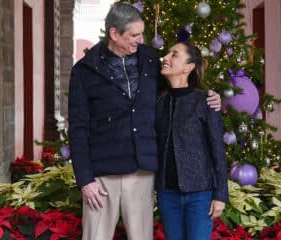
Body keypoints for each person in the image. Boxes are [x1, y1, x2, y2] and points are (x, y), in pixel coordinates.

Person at [68, 2, 221, 240]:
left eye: (142, 34)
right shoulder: (84, 70)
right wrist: (85, 180)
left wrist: (210, 97)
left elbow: (176, 92)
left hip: (142, 171)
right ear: (114, 33)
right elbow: (77, 128)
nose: (141, 40)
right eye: (134, 35)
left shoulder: (150, 60)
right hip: (101, 174)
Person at [155, 42, 229, 240]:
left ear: (188, 67)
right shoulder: (159, 101)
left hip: (200, 193)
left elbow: (217, 150)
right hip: (167, 193)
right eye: (167, 53)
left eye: (174, 54)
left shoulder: (205, 100)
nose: (166, 57)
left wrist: (220, 194)